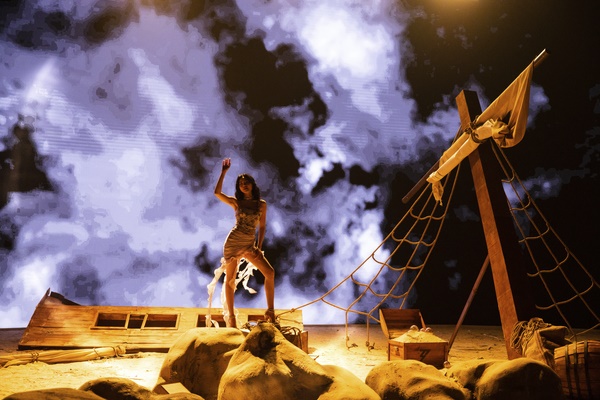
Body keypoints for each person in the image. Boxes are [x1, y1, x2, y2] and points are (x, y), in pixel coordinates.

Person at [212, 157, 276, 328]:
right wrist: (223, 172)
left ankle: (271, 312)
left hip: (249, 245)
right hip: (233, 243)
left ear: (253, 185)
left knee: (269, 273)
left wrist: (259, 247)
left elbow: (262, 227)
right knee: (230, 280)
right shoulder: (237, 202)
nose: (244, 185)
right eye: (241, 184)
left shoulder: (261, 205)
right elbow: (217, 193)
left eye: (246, 182)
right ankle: (232, 320)